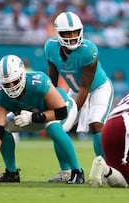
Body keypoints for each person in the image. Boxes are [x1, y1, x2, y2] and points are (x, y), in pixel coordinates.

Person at [0, 55, 84, 184]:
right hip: (31, 116)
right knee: (4, 128)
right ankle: (12, 173)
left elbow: (61, 112)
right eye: (6, 84)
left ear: (23, 75)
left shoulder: (38, 82)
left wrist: (33, 117)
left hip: (63, 108)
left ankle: (77, 172)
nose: (11, 86)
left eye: (15, 81)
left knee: (53, 127)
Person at [45, 11, 114, 159]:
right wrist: (53, 106)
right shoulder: (51, 48)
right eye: (67, 34)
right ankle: (65, 171)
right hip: (75, 90)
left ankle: (104, 168)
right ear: (58, 34)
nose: (72, 37)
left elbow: (85, 88)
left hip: (98, 89)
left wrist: (70, 111)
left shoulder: (89, 50)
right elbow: (52, 82)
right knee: (58, 127)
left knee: (96, 123)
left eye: (75, 32)